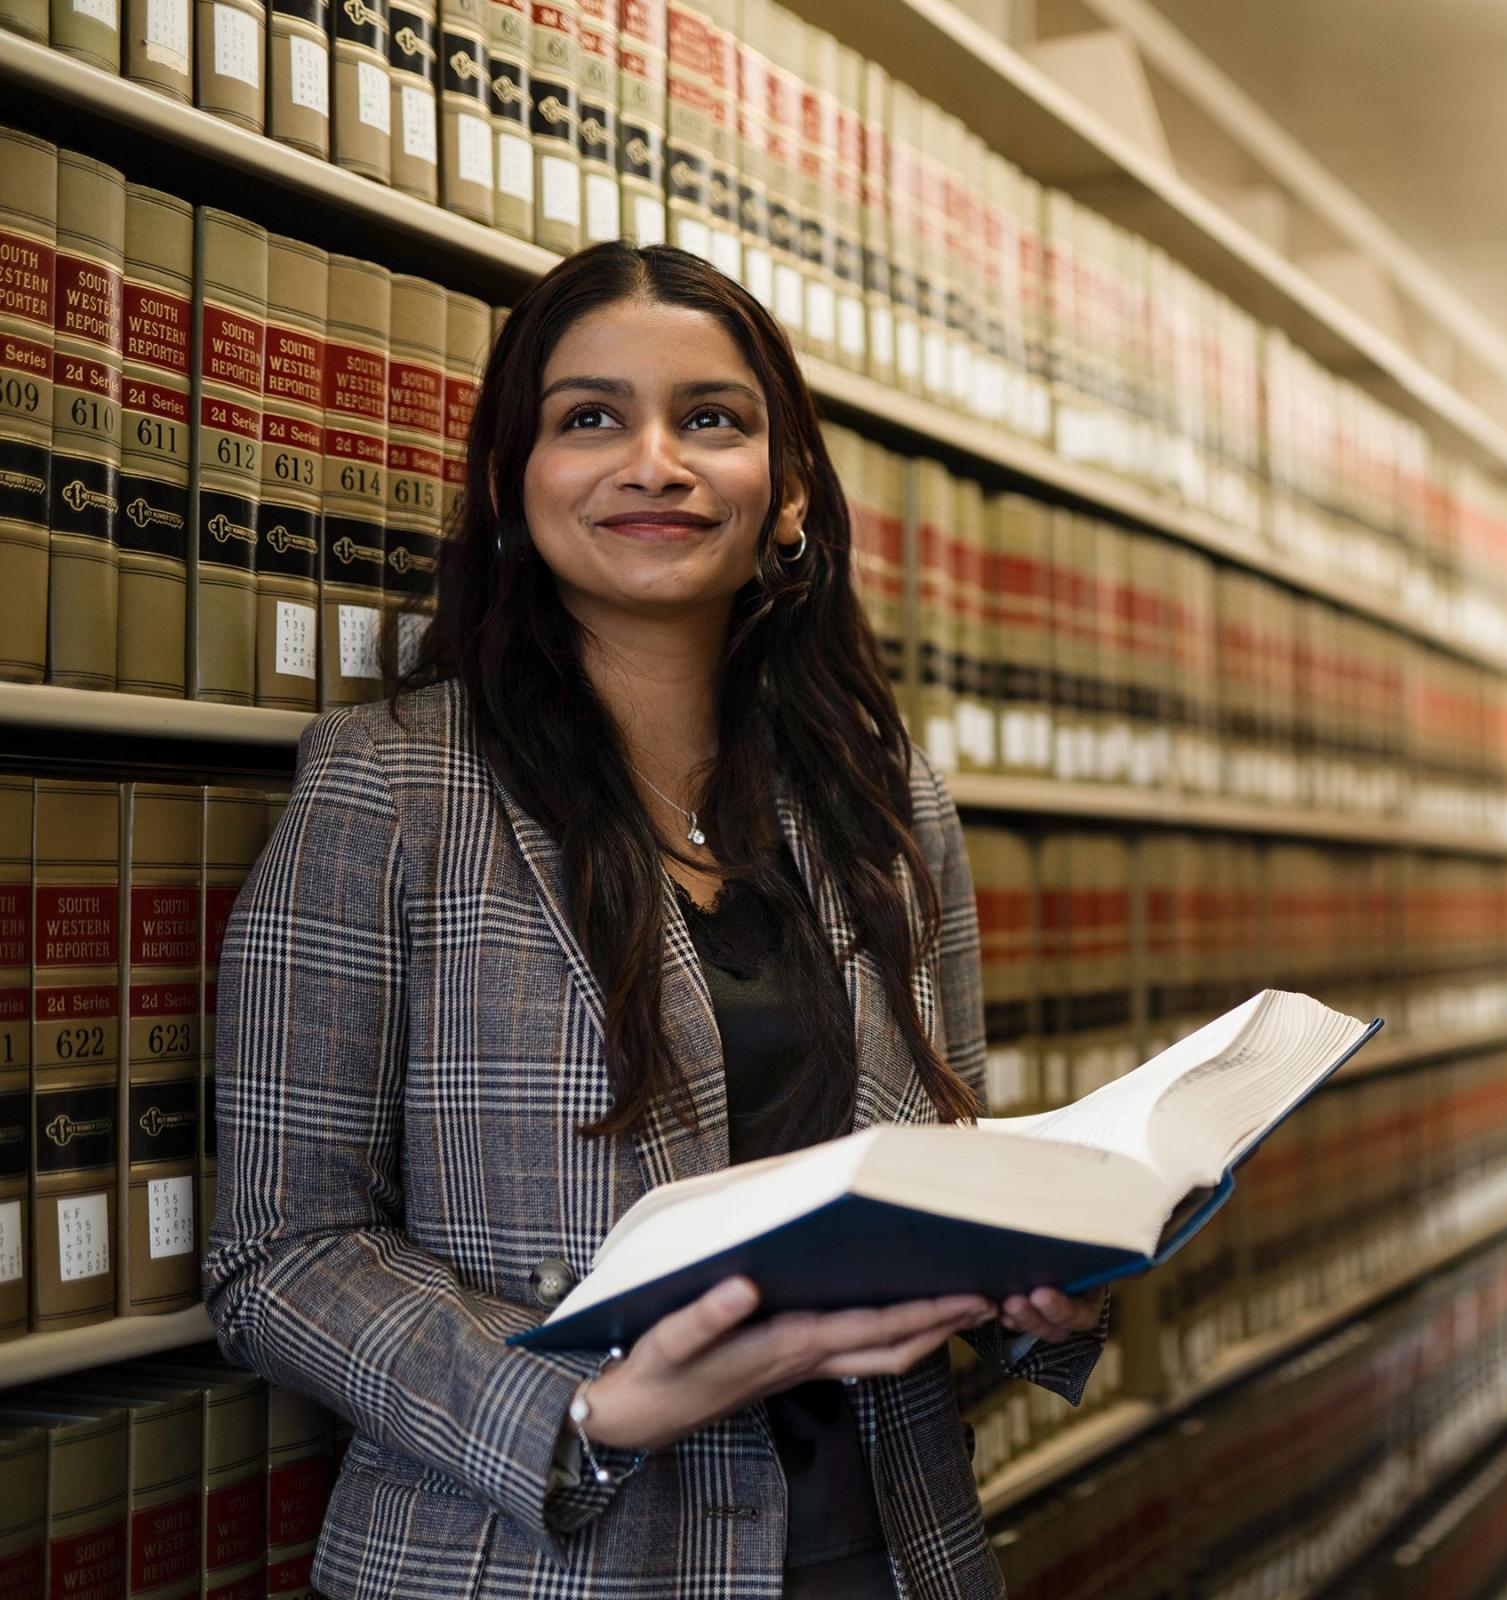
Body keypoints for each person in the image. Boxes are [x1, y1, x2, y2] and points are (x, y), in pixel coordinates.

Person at [203, 240, 1109, 1600]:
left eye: (712, 420)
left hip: (889, 1551)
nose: (656, 461)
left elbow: (947, 1141)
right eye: (589, 418)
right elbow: (279, 1254)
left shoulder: (883, 802)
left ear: (787, 488)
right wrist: (591, 1408)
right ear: (512, 484)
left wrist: (1044, 1294)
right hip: (543, 1561)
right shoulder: (392, 786)